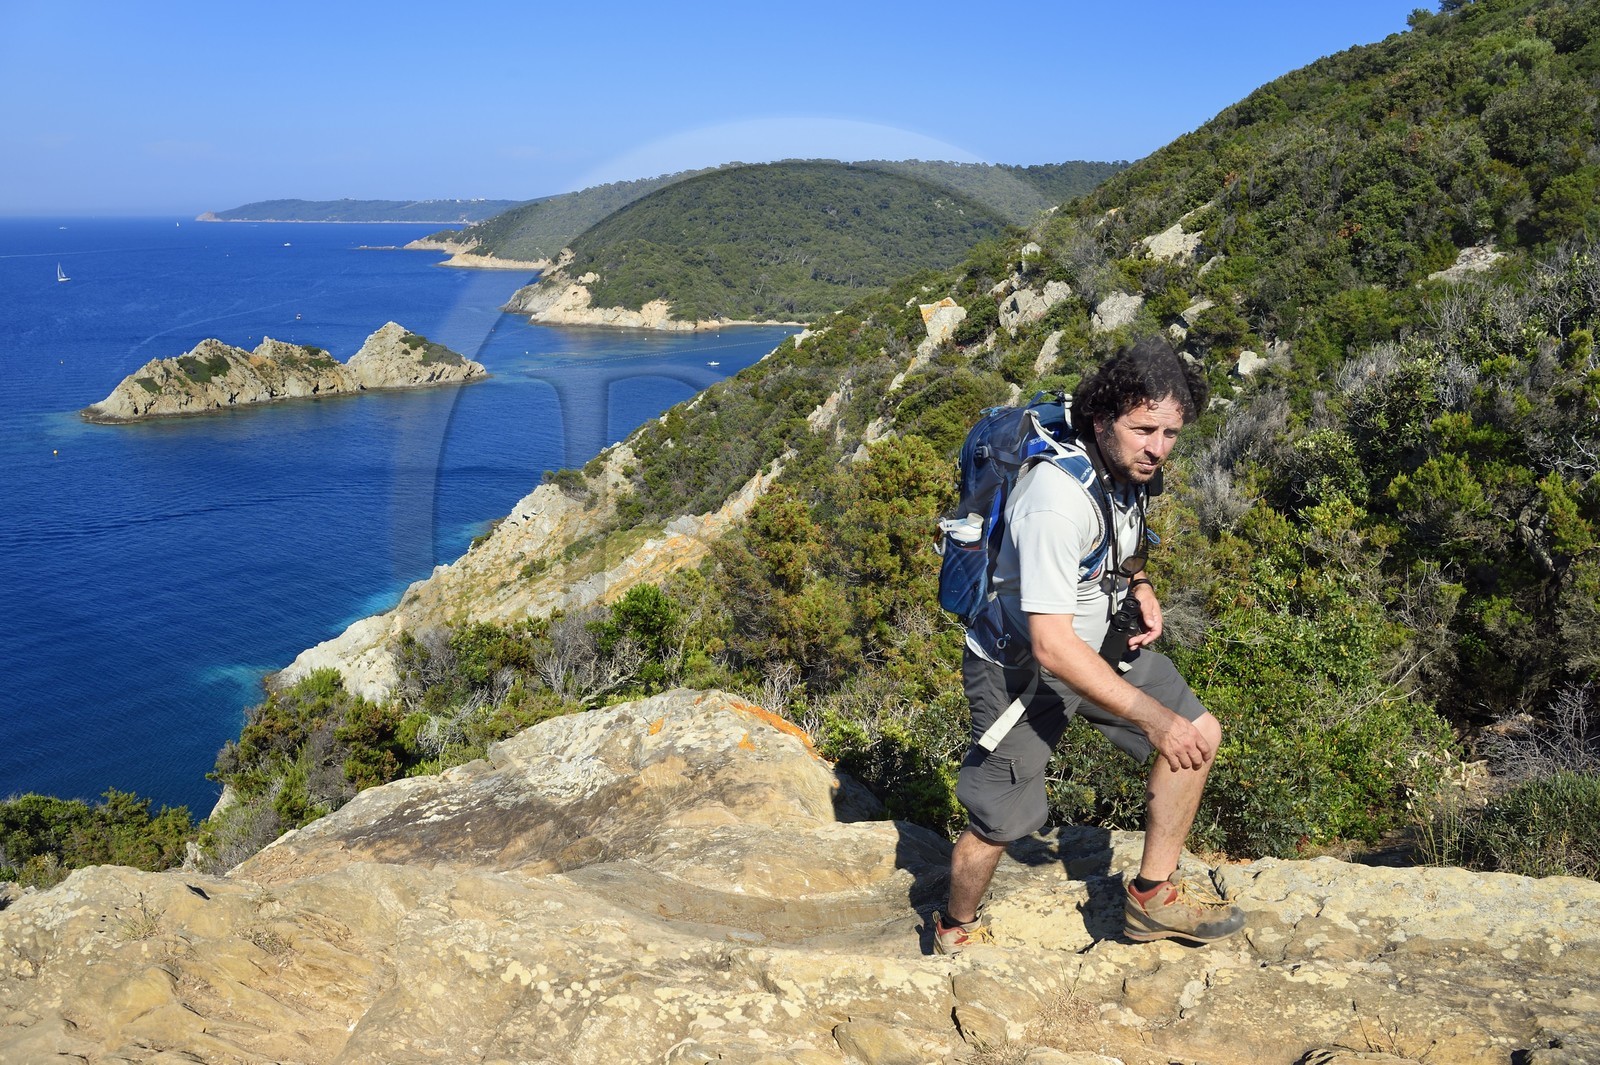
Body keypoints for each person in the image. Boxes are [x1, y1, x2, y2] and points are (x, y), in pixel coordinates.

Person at [934, 337, 1244, 953]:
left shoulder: (1123, 469)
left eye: (1171, 432)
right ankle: (955, 930)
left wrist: (1141, 582)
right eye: (1144, 429)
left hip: (1097, 646)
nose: (1158, 448)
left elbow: (1122, 535)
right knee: (999, 821)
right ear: (1102, 420)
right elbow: (1051, 646)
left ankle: (1153, 900)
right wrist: (1152, 719)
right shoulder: (1054, 500)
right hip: (1025, 671)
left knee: (1197, 736)